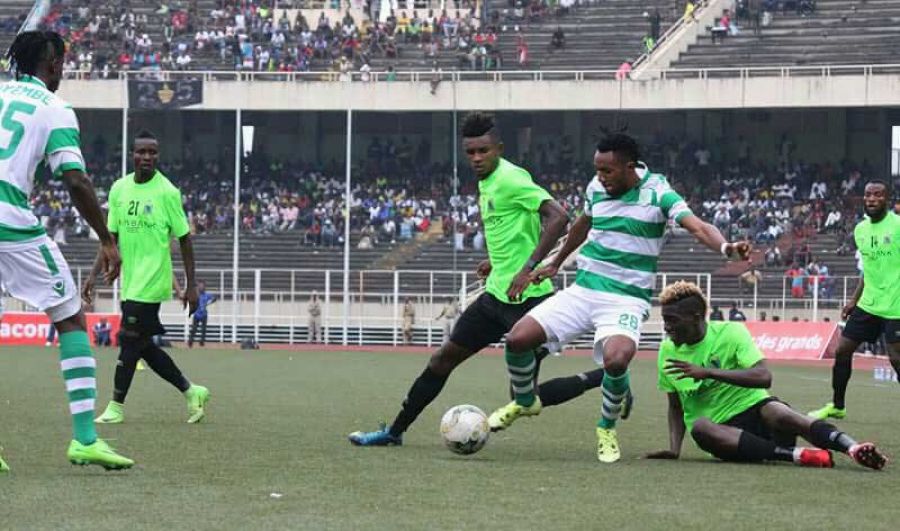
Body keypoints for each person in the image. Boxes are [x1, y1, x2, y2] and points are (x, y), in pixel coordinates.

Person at [348, 113, 614, 447]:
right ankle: (394, 432)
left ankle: (606, 377)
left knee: (524, 399)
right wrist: (499, 261)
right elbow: (518, 226)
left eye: (483, 151)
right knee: (442, 359)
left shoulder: (511, 178)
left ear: (498, 149)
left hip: (530, 301)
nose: (476, 158)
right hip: (494, 298)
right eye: (470, 152)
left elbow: (559, 217)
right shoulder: (487, 182)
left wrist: (527, 267)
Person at [486, 131, 751, 463]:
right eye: (597, 170)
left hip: (626, 297)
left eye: (607, 171)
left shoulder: (658, 193)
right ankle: (525, 402)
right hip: (584, 289)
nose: (600, 177)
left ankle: (606, 429)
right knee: (517, 340)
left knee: (616, 359)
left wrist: (727, 248)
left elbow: (697, 227)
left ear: (629, 167)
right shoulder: (596, 188)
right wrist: (554, 263)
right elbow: (583, 224)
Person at [0, 30, 133, 471]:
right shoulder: (54, 109)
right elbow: (74, 179)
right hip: (9, 223)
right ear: (53, 63)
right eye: (63, 63)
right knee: (70, 314)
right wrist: (106, 238)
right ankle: (85, 439)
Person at [646, 281, 886, 470]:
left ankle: (853, 448)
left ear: (696, 316)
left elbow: (763, 376)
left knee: (777, 410)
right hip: (724, 436)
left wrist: (708, 372)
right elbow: (675, 406)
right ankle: (798, 456)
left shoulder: (731, 332)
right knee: (700, 427)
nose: (666, 326)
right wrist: (674, 449)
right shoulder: (667, 351)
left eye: (672, 320)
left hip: (761, 417)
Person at [84, 130, 210, 425]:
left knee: (128, 340)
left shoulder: (167, 192)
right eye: (142, 152)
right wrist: (91, 276)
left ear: (158, 156)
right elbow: (109, 237)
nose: (147, 157)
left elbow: (184, 240)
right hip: (130, 281)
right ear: (132, 155)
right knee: (141, 344)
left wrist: (191, 287)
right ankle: (192, 391)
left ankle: (116, 406)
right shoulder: (119, 189)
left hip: (153, 281)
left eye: (152, 152)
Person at [809, 180, 900, 420]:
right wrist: (853, 300)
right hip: (868, 303)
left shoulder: (898, 225)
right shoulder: (860, 230)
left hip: (895, 305)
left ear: (886, 199)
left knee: (896, 359)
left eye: (878, 195)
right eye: (868, 195)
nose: (871, 199)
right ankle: (837, 406)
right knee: (842, 350)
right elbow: (867, 270)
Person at [187, 280, 215, 347]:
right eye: (200, 286)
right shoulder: (196, 294)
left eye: (203, 286)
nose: (201, 287)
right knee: (194, 329)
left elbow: (214, 298)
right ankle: (190, 342)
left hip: (204, 315)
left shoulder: (206, 295)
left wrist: (209, 303)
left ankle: (201, 342)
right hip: (196, 314)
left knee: (203, 330)